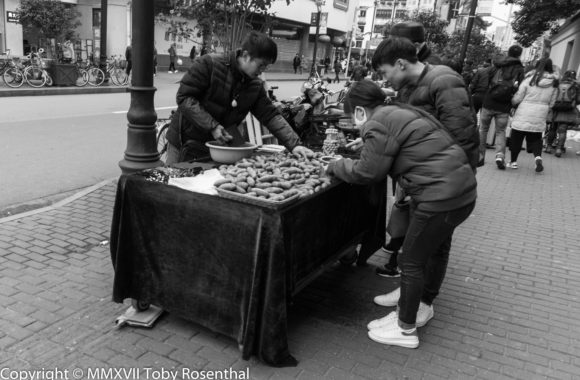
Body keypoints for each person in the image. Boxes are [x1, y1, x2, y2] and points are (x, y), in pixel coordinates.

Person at [326, 80, 477, 348]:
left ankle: (405, 328)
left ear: (360, 111)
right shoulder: (399, 111)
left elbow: (367, 172)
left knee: (411, 261)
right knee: (437, 251)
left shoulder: (377, 123)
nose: (355, 124)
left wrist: (337, 165)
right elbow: (404, 145)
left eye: (353, 118)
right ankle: (421, 306)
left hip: (438, 196)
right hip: (462, 191)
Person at [370, 37, 478, 278]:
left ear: (400, 63)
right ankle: (409, 295)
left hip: (443, 183)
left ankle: (423, 302)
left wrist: (451, 182)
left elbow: (462, 136)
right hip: (423, 179)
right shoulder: (409, 85)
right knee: (416, 244)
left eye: (384, 72)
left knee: (435, 244)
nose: (384, 79)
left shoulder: (443, 80)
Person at [165, 31, 313, 164]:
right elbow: (184, 97)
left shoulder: (255, 85)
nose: (262, 71)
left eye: (266, 67)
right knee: (174, 185)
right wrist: (213, 126)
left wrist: (295, 145)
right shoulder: (209, 64)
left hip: (220, 146)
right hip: (185, 141)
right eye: (261, 65)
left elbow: (270, 115)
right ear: (246, 56)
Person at [507, 58, 559, 172]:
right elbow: (552, 102)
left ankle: (513, 162)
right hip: (541, 113)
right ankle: (537, 158)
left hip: (524, 111)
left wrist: (513, 102)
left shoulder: (529, 79)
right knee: (536, 138)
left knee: (516, 137)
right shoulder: (554, 83)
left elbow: (519, 95)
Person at [478, 45, 525, 169]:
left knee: (483, 129)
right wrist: (514, 104)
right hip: (504, 104)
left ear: (508, 53)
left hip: (489, 102)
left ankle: (480, 156)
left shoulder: (498, 65)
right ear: (519, 55)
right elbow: (520, 89)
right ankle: (500, 155)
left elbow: (486, 79)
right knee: (500, 131)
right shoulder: (520, 69)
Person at [546, 70, 579, 156]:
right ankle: (559, 149)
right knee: (562, 130)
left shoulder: (558, 83)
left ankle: (548, 147)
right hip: (568, 110)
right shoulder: (575, 85)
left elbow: (551, 95)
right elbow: (578, 99)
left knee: (552, 128)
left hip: (556, 109)